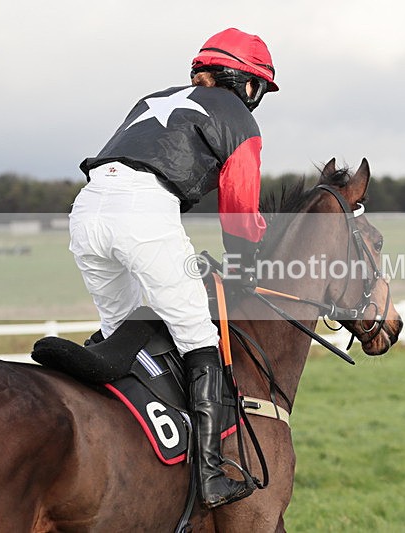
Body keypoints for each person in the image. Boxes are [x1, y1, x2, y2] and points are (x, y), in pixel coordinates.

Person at [68, 27, 277, 509]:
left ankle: (117, 439)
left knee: (123, 332)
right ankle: (209, 475)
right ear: (246, 84)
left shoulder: (153, 98)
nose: (255, 99)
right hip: (142, 214)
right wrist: (243, 267)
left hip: (86, 210)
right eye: (258, 89)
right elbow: (239, 210)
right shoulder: (239, 118)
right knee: (198, 337)